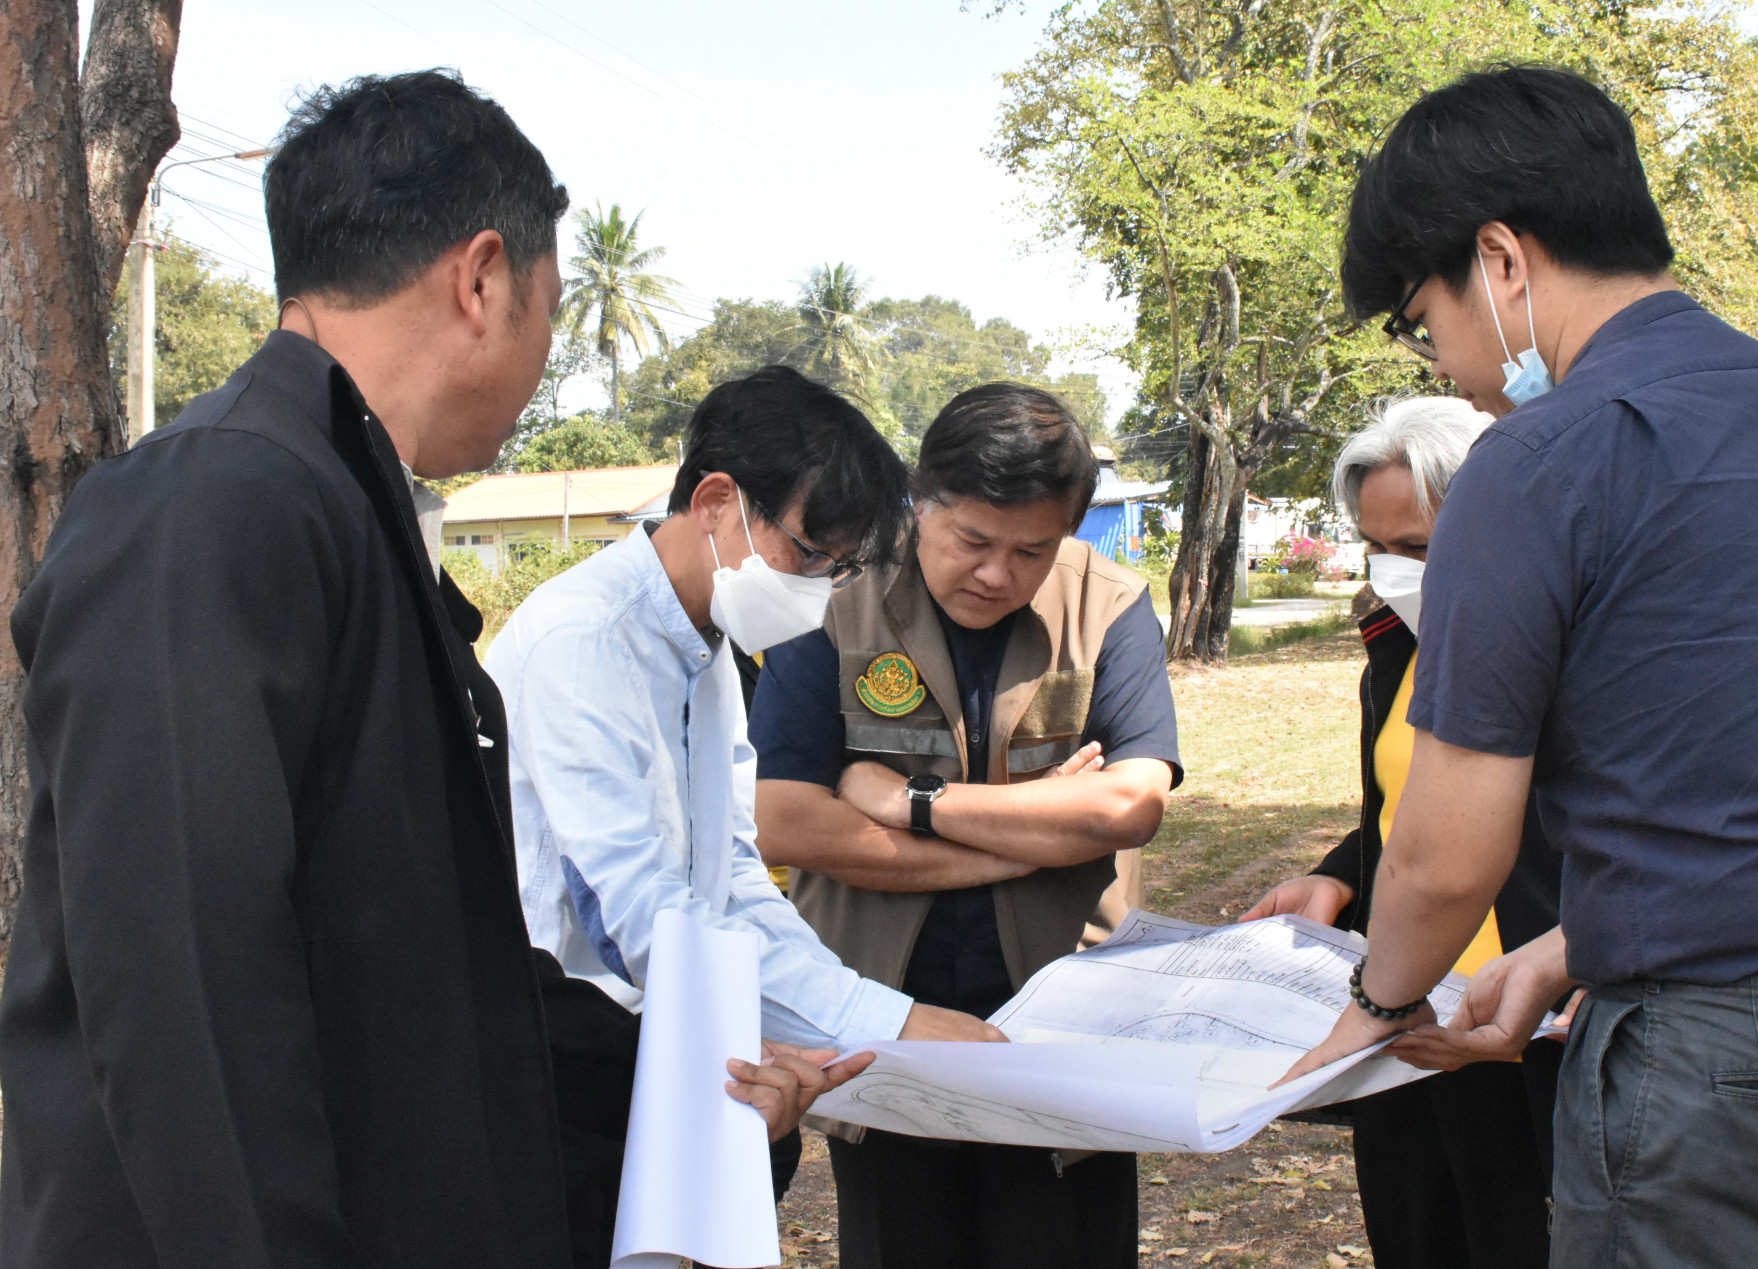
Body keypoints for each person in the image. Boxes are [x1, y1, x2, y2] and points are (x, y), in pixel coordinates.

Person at [1287, 65, 1758, 1267]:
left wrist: (1373, 1007)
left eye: (1425, 321)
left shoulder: (1538, 463)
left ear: (1502, 262)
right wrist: (1568, 948)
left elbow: (1447, 848)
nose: (1446, 368)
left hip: (1722, 1084)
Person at [0, 71, 583, 1267]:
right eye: (548, 305)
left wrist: (684, 1066)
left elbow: (421, 958)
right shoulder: (212, 501)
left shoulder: (342, 508)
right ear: (481, 278)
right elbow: (182, 998)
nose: (542, 349)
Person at [484, 366, 1004, 1267]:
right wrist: (876, 1018)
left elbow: (731, 875)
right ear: (718, 500)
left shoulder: (708, 647)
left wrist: (865, 1015)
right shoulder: (584, 640)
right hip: (570, 1059)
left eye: (839, 568)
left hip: (679, 1049)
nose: (817, 585)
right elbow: (634, 915)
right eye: (808, 553)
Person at [750, 383, 1182, 1269]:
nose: (996, 573)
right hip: (885, 1019)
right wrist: (1029, 845)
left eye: (1032, 550)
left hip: (1065, 1024)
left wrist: (912, 803)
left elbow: (1125, 805)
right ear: (921, 499)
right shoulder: (835, 595)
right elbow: (783, 819)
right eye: (972, 540)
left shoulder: (1108, 606)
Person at [1243, 397, 1563, 1268]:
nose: (1393, 573)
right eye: (1376, 548)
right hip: (1401, 1021)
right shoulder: (1393, 643)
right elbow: (1407, 808)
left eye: (1417, 548)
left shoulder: (1569, 651)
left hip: (1528, 1029)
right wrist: (1339, 876)